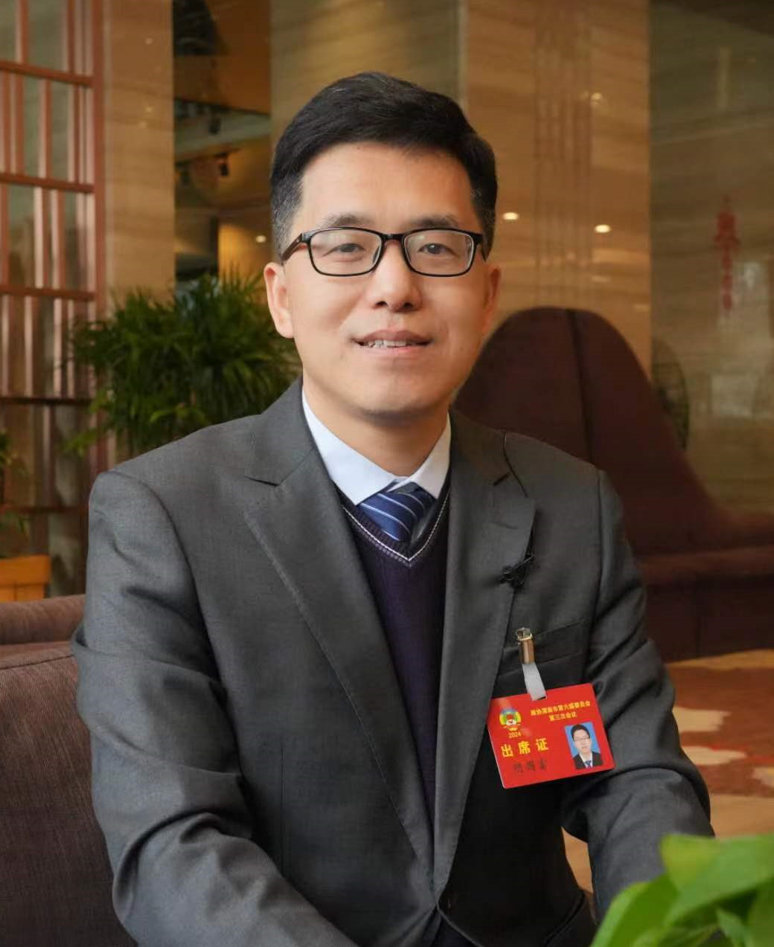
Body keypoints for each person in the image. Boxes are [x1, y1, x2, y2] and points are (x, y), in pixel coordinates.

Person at [73, 71, 713, 947]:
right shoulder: (162, 515)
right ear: (280, 295)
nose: (394, 285)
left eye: (436, 246)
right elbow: (172, 840)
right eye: (345, 247)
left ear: (486, 293)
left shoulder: (570, 504)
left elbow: (637, 778)